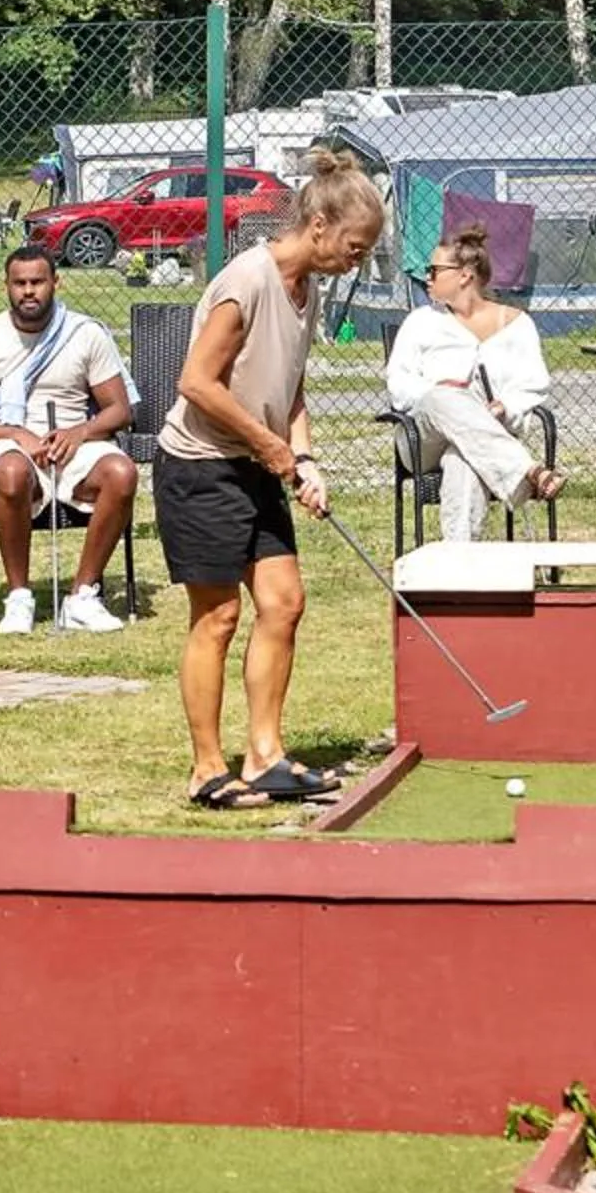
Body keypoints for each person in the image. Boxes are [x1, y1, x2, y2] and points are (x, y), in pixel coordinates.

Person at [154, 145, 385, 810]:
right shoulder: (246, 281)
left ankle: (264, 756)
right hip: (200, 467)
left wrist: (303, 458)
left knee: (284, 602)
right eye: (354, 245)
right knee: (219, 615)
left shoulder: (307, 289)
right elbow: (195, 382)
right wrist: (269, 446)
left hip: (256, 463)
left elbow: (290, 385)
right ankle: (205, 770)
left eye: (364, 250)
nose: (357, 260)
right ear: (318, 227)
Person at [0, 245, 137, 634]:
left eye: (37, 282)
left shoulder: (85, 333)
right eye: (20, 283)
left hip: (77, 444)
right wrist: (18, 434)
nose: (29, 291)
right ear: (6, 286)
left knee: (122, 471)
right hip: (13, 440)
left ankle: (83, 596)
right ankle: (19, 598)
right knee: (13, 471)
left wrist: (80, 432)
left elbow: (119, 409)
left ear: (56, 282)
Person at [383, 225, 564, 541]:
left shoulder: (518, 326)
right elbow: (398, 387)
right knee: (444, 397)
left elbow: (532, 387)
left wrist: (504, 407)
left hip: (485, 438)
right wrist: (445, 395)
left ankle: (460, 567)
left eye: (434, 270)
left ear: (464, 275)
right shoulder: (421, 322)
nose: (426, 276)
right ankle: (527, 471)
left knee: (462, 458)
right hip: (422, 439)